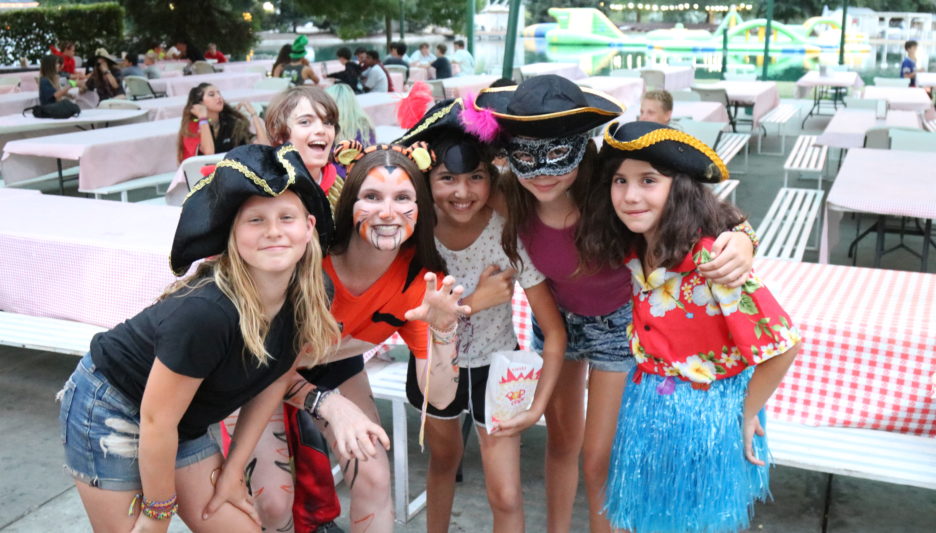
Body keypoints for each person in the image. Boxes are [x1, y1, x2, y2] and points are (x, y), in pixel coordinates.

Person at [474, 75, 756, 533]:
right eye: (527, 156)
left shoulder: (613, 188)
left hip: (619, 328)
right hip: (556, 323)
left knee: (599, 457)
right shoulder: (510, 196)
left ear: (583, 146)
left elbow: (708, 211)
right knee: (561, 443)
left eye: (557, 154)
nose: (543, 173)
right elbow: (444, 189)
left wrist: (743, 241)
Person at [57, 142, 387, 533]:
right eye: (255, 221)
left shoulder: (314, 293)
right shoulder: (208, 313)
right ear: (232, 233)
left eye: (286, 217)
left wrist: (233, 471)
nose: (274, 232)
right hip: (113, 406)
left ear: (309, 227)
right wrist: (158, 511)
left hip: (182, 419)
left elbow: (273, 381)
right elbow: (156, 420)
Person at [587, 121, 801, 532]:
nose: (630, 195)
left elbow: (783, 344)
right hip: (647, 403)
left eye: (648, 180)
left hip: (703, 415)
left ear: (679, 188)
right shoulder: (636, 247)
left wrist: (745, 412)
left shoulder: (711, 260)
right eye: (620, 180)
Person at [397, 99, 567, 532]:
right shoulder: (414, 234)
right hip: (435, 367)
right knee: (443, 462)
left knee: (506, 494)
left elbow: (554, 331)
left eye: (476, 177)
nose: (462, 191)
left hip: (499, 370)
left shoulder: (507, 234)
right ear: (425, 180)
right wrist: (474, 301)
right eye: (447, 178)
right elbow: (410, 315)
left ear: (492, 178)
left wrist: (538, 407)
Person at [177, 83, 269, 162]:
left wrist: (254, 114)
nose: (218, 97)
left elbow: (264, 146)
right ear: (200, 103)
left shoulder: (230, 122)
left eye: (219, 93)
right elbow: (209, 152)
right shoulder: (192, 126)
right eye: (211, 94)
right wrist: (202, 118)